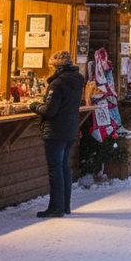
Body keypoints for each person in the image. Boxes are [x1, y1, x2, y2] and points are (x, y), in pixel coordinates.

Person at [28, 50, 84, 217]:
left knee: (55, 170)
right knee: (64, 167)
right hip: (70, 129)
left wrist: (35, 106)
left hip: (55, 130)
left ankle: (55, 208)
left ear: (58, 67)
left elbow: (50, 110)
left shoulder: (57, 84)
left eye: (53, 66)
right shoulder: (77, 80)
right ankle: (65, 206)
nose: (51, 69)